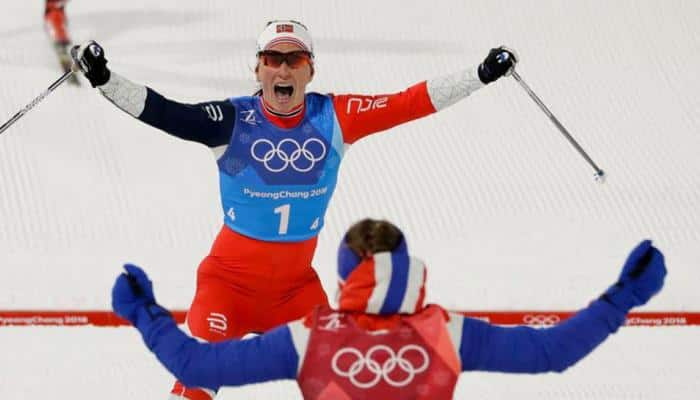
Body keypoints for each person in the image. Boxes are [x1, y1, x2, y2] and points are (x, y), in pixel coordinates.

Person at [71, 20, 518, 399]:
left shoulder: (336, 117)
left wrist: (479, 75)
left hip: (296, 293)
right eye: (274, 59)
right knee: (196, 382)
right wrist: (105, 79)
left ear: (310, 70)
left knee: (344, 381)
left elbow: (409, 103)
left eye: (294, 60)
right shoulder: (232, 120)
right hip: (227, 286)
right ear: (259, 68)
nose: (283, 69)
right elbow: (165, 112)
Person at [112, 218, 666, 400]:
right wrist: (624, 296)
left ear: (346, 275)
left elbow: (198, 368)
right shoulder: (443, 332)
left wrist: (145, 313)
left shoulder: (312, 336)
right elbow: (551, 352)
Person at [44, 0, 79, 84]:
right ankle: (70, 75)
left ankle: (70, 73)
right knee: (61, 47)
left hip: (57, 18)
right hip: (55, 21)